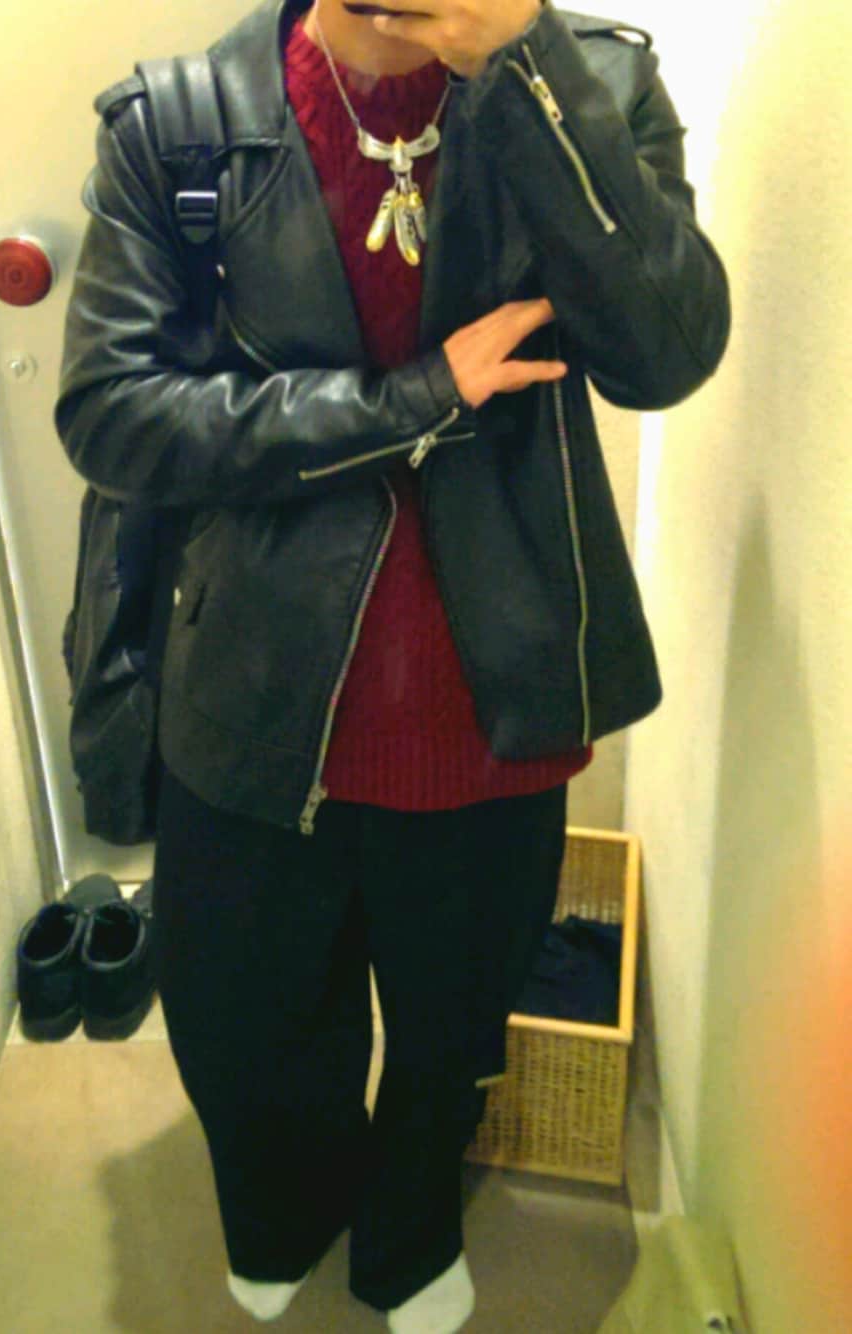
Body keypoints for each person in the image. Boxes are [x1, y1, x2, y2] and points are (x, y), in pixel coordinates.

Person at [54, 1, 730, 1329]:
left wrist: (524, 68)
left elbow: (665, 350)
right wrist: (413, 402)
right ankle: (283, 1210)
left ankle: (410, 1232)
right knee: (247, 1028)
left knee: (454, 1031)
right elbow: (110, 411)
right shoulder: (181, 123)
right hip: (251, 694)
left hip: (494, 698)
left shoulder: (590, 83)